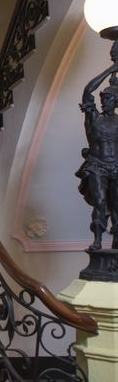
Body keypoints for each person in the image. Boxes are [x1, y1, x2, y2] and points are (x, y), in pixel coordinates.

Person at [76, 56, 118, 250]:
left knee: (117, 205)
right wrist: (111, 69)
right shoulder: (93, 117)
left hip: (116, 166)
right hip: (96, 165)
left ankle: (116, 239)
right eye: (103, 99)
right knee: (100, 202)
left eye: (108, 99)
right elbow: (87, 91)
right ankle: (98, 241)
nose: (104, 102)